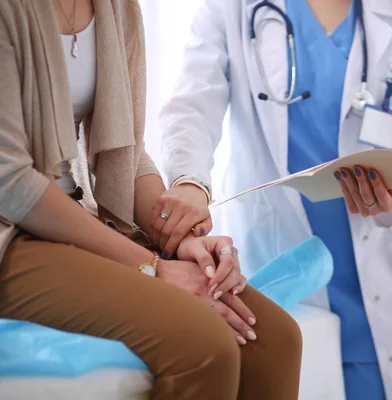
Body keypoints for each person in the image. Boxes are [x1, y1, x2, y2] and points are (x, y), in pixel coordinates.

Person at [0, 1, 302, 399]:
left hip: (73, 217)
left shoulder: (116, 7)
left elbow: (123, 148)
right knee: (203, 342)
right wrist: (151, 267)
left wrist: (176, 235)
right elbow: (10, 182)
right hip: (12, 232)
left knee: (276, 339)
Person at [159, 0, 392, 398]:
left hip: (376, 278)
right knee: (290, 372)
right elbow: (193, 106)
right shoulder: (233, 8)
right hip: (277, 256)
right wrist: (190, 181)